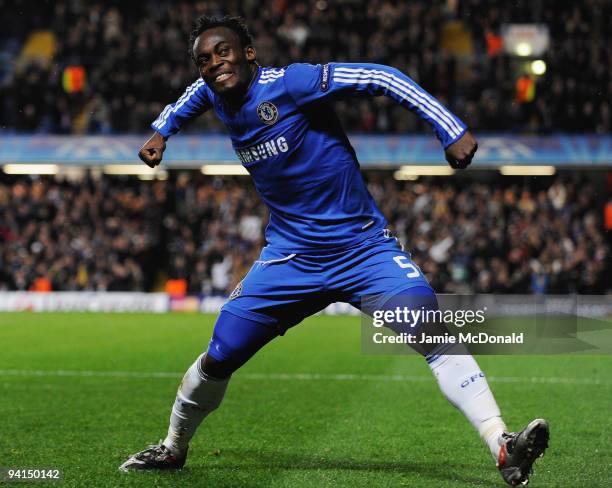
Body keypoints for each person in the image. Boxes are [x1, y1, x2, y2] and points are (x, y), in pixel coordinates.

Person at [120, 15, 549, 486]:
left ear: (248, 53)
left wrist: (450, 128)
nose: (214, 64)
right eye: (204, 59)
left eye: (223, 52)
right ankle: (173, 447)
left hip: (363, 251)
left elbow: (381, 77)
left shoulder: (294, 83)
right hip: (290, 259)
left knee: (432, 332)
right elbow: (190, 97)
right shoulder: (214, 93)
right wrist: (162, 131)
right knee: (220, 355)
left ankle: (503, 446)